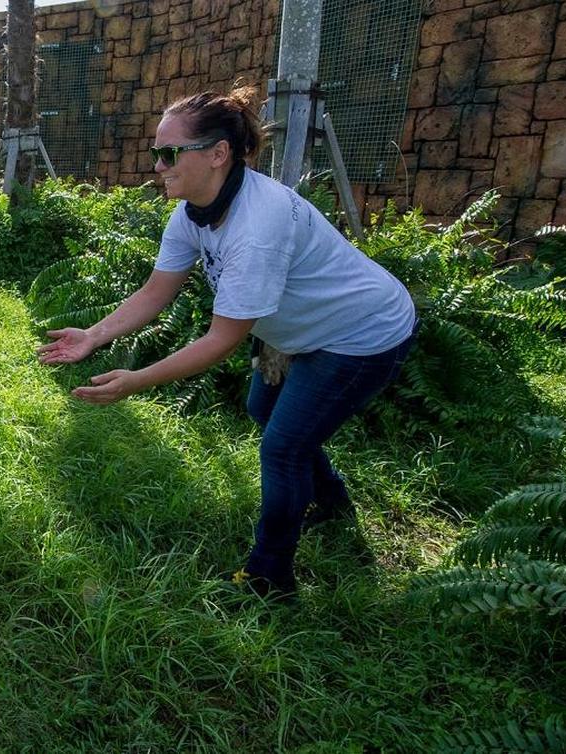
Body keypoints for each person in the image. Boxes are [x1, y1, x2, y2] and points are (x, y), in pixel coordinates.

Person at [36, 86, 418, 600]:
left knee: (283, 447)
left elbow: (221, 340)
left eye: (170, 153)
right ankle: (331, 502)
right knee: (266, 410)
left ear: (218, 154)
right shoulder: (192, 211)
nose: (158, 166)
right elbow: (156, 291)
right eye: (157, 153)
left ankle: (269, 578)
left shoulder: (256, 226)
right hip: (302, 332)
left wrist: (137, 381)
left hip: (362, 333)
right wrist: (94, 334)